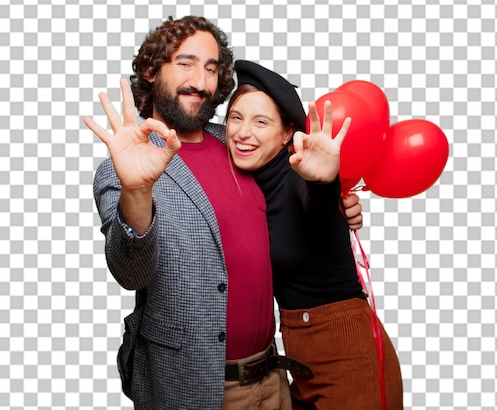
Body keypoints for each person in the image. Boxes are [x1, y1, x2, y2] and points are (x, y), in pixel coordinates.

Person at [83, 16, 363, 409]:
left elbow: (297, 196)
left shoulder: (237, 142)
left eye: (211, 68)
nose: (200, 80)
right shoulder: (122, 167)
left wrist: (335, 200)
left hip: (274, 378)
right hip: (193, 387)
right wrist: (137, 189)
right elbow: (131, 272)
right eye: (186, 63)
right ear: (150, 71)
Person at [224, 60, 403, 410]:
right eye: (236, 118)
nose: (244, 133)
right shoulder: (248, 183)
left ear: (287, 132)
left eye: (261, 122)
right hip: (298, 357)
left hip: (347, 350)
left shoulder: (298, 177)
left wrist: (323, 183)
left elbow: (316, 206)